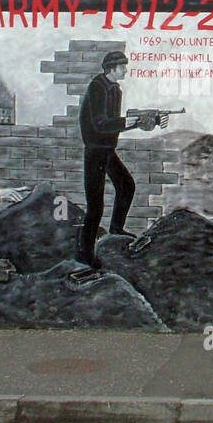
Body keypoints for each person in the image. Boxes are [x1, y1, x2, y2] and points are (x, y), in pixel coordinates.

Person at [76, 51, 167, 268]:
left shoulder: (115, 89)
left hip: (107, 149)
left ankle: (116, 228)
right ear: (112, 68)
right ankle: (85, 255)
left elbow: (115, 123)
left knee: (126, 186)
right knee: (95, 206)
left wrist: (145, 121)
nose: (126, 70)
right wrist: (129, 121)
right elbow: (100, 124)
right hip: (96, 151)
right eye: (122, 67)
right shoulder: (98, 87)